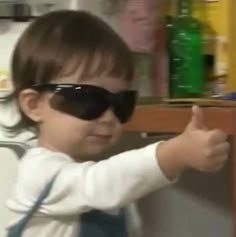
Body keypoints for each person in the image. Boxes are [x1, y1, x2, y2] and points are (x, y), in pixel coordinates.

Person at [2, 10, 229, 237]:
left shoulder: (106, 184)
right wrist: (175, 153)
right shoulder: (40, 172)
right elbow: (99, 184)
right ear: (33, 105)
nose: (109, 116)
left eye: (121, 102)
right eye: (88, 98)